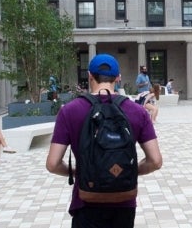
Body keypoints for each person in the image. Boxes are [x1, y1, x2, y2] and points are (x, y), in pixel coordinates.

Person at [46, 54, 163, 227]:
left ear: (90, 76)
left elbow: (53, 164)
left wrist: (85, 171)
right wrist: (123, 171)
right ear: (118, 78)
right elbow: (155, 161)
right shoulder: (137, 111)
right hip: (123, 201)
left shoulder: (69, 111)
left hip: (86, 200)